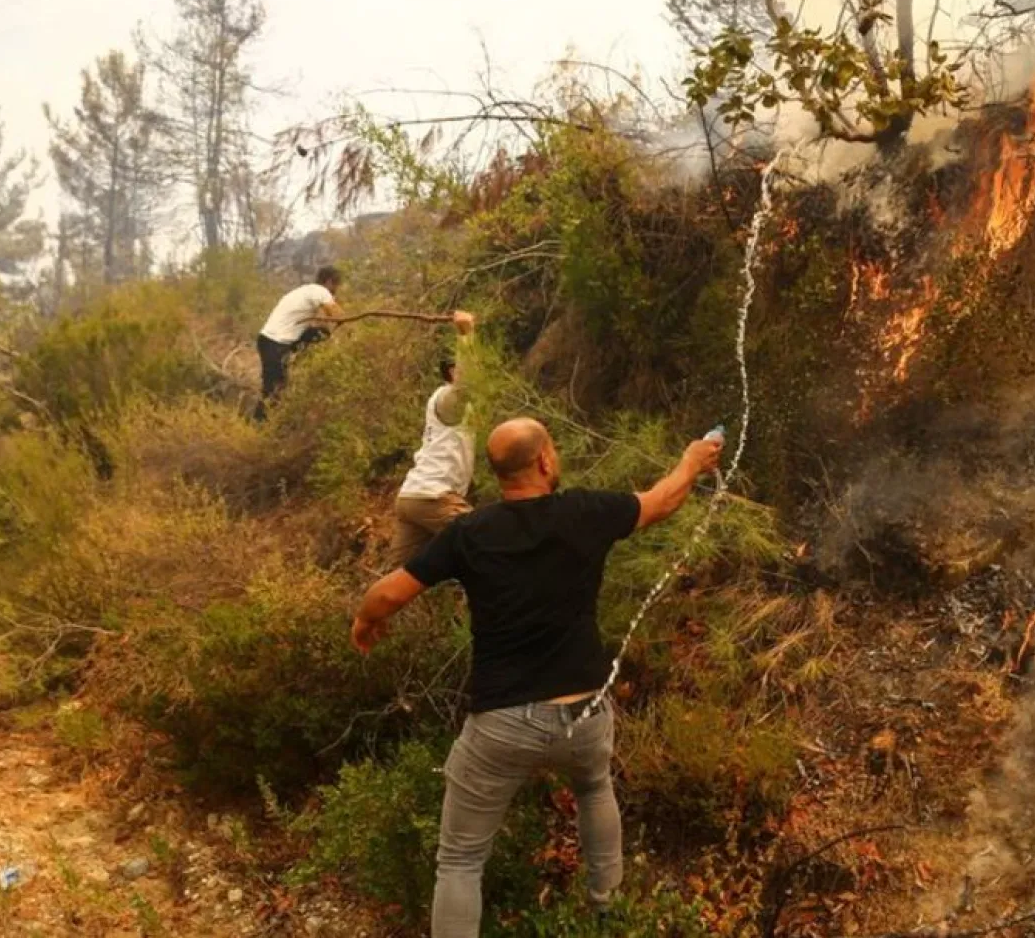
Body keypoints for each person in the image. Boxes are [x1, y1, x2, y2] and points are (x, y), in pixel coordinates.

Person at [351, 419, 723, 938]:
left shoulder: (470, 533)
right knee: (594, 787)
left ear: (498, 472)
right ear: (546, 461)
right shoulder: (585, 513)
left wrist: (367, 621)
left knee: (460, 859)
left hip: (503, 725)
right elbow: (662, 501)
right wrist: (691, 461)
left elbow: (388, 593)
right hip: (586, 713)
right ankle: (608, 913)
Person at [392, 310, 478, 565]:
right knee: (486, 544)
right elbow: (466, 386)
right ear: (453, 371)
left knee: (399, 575)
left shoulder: (453, 406)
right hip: (433, 497)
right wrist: (466, 335)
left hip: (412, 497)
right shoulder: (448, 399)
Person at [255, 265, 341, 419]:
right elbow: (337, 315)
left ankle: (302, 361)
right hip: (275, 343)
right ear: (328, 282)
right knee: (274, 389)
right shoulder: (321, 291)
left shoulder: (304, 290)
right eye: (336, 285)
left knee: (320, 332)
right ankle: (258, 425)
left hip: (272, 341)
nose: (336, 290)